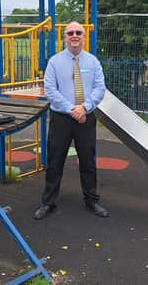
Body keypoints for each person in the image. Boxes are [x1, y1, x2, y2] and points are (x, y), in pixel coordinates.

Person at [33, 21, 108, 220]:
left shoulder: (93, 62)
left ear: (84, 37)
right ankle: (48, 203)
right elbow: (50, 89)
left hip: (85, 117)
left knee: (88, 161)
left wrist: (84, 107)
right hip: (61, 119)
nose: (74, 35)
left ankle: (92, 200)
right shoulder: (55, 62)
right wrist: (71, 109)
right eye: (70, 33)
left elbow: (100, 88)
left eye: (78, 32)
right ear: (64, 37)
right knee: (55, 161)